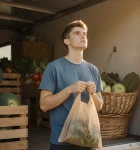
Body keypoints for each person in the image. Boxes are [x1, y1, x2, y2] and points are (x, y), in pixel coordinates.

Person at [39, 20, 104, 150]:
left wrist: (93, 94)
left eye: (84, 33)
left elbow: (99, 106)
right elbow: (44, 105)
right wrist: (69, 90)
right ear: (66, 41)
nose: (83, 36)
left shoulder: (93, 70)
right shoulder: (54, 67)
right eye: (77, 33)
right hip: (61, 142)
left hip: (88, 139)